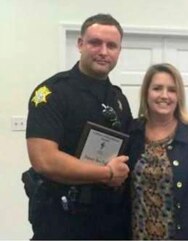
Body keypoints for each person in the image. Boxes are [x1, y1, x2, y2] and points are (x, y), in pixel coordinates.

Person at [22, 13, 133, 240]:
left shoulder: (118, 100)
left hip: (110, 221)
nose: (103, 51)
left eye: (111, 45)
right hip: (62, 221)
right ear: (80, 44)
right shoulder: (52, 93)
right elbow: (44, 160)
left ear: (119, 51)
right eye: (95, 43)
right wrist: (106, 173)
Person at [128, 63, 188, 240]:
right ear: (146, 93)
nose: (164, 95)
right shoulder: (132, 132)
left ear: (179, 96)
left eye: (172, 90)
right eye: (157, 88)